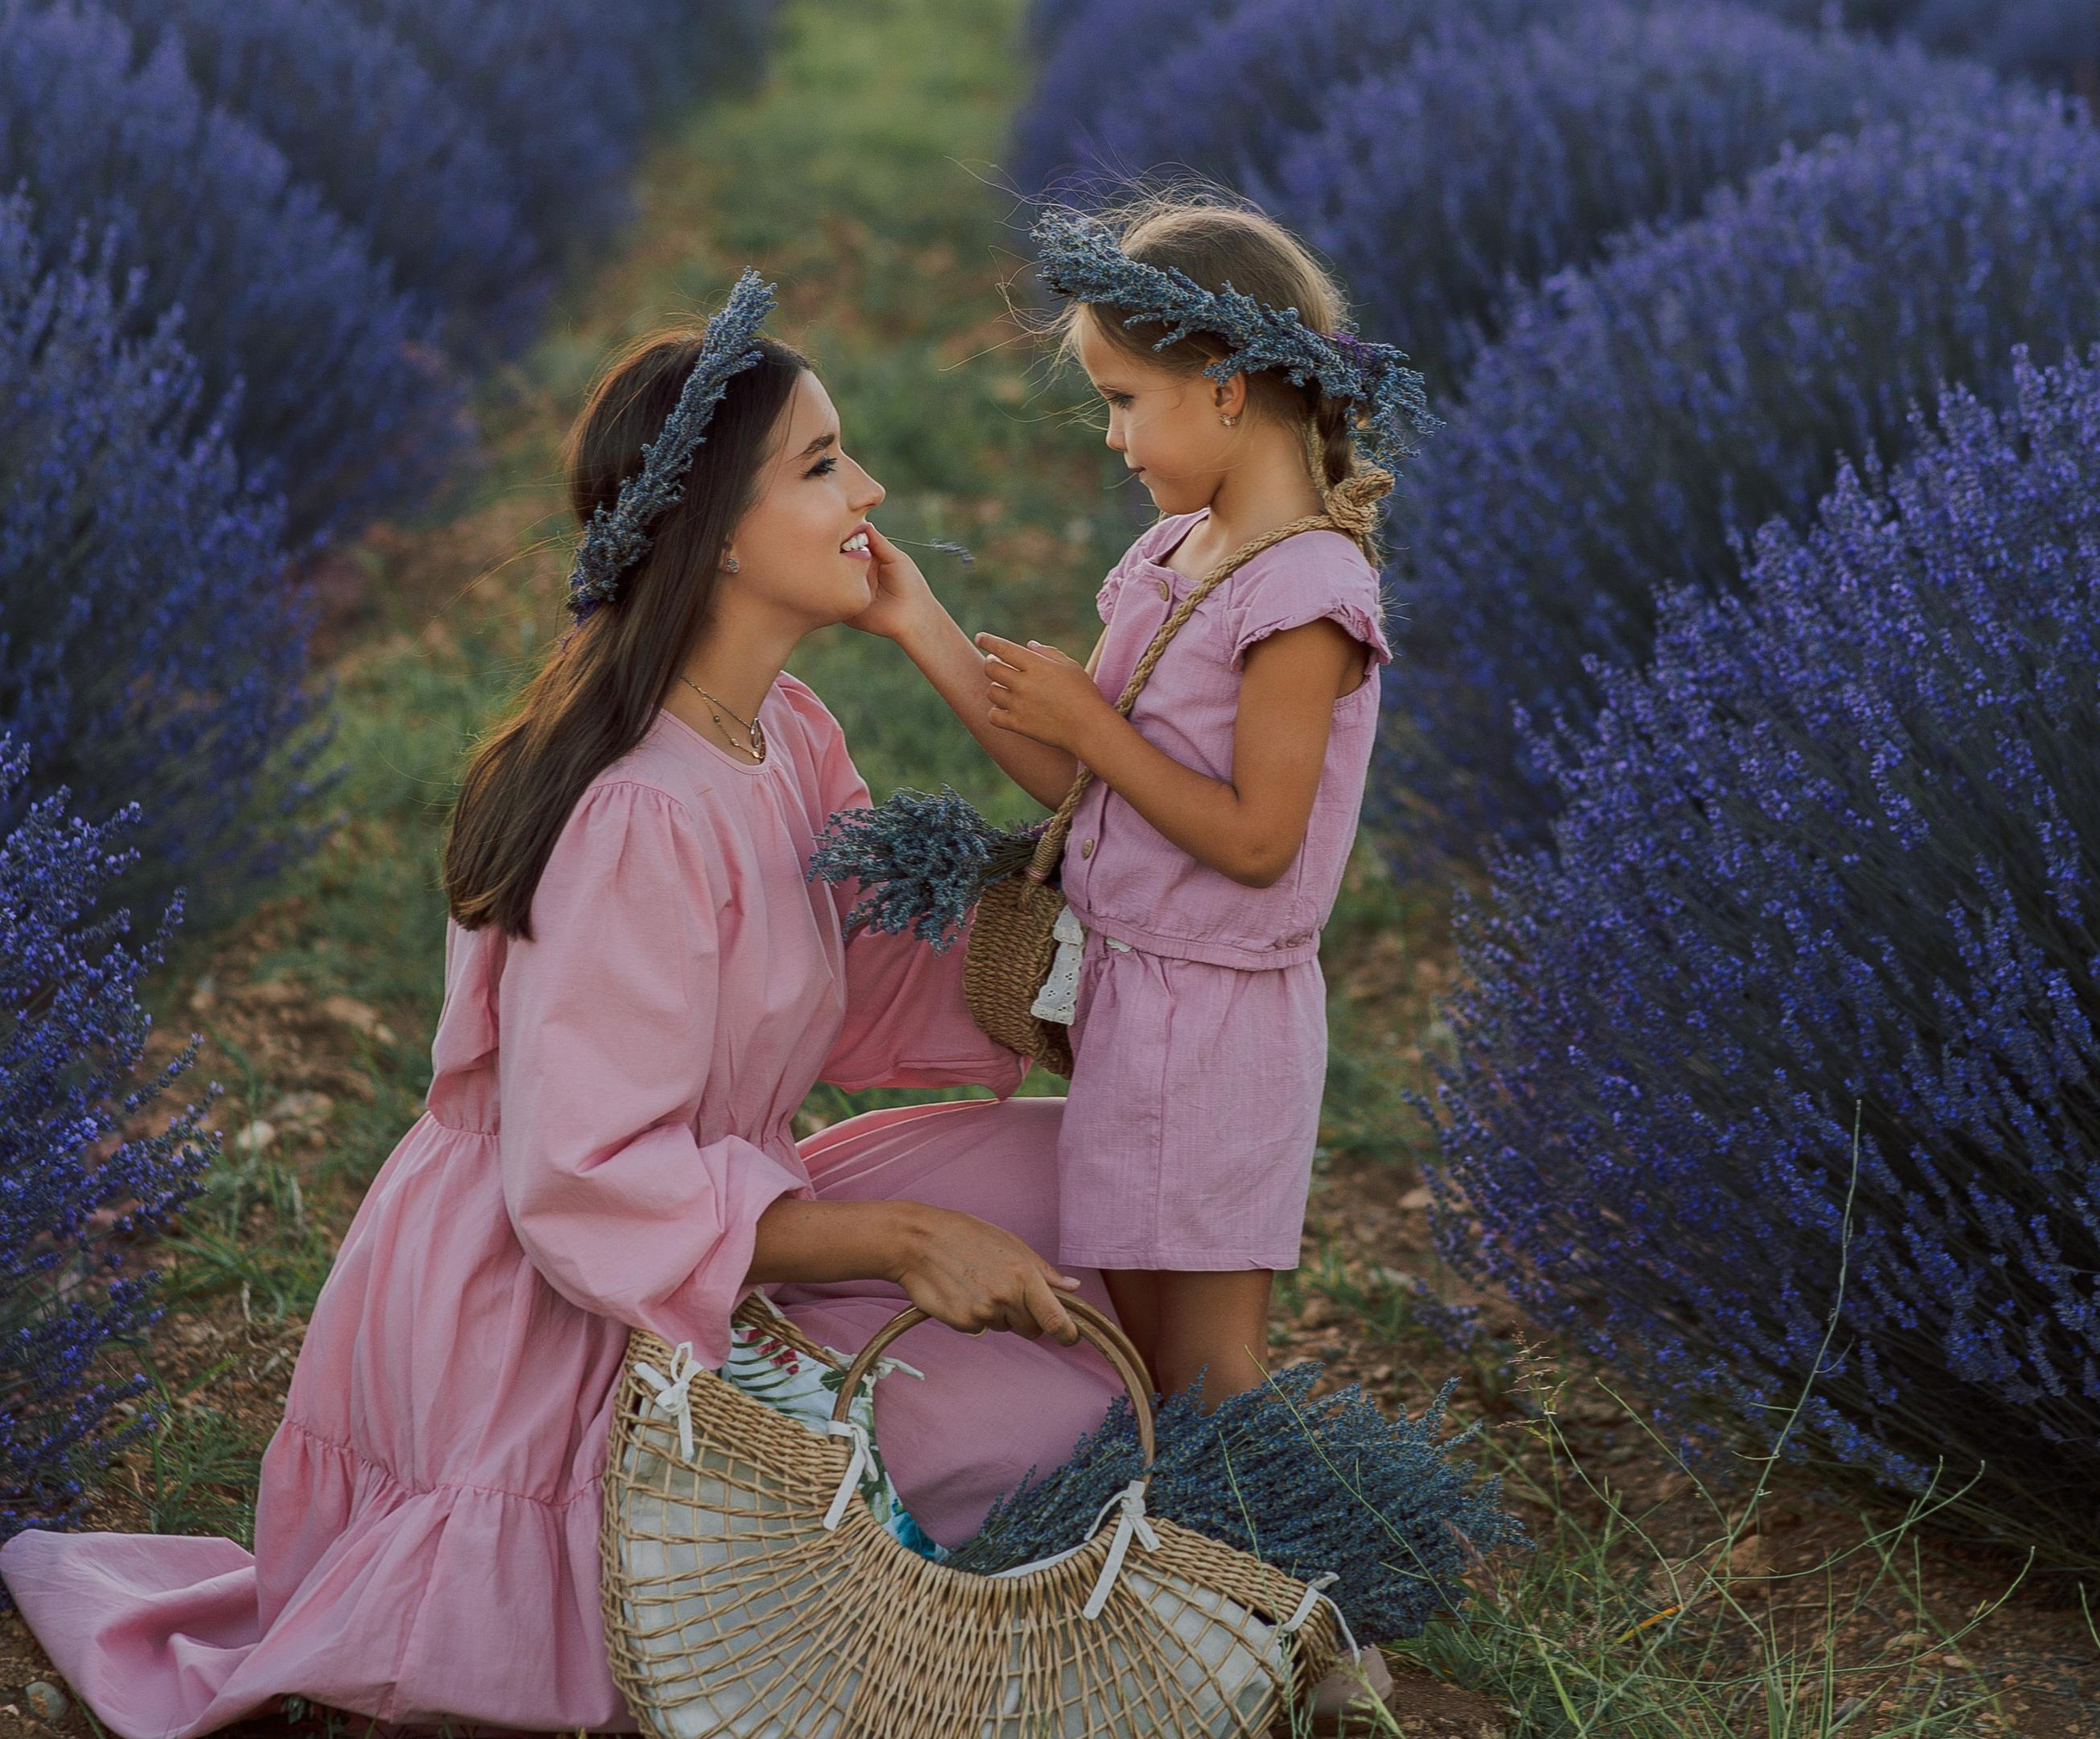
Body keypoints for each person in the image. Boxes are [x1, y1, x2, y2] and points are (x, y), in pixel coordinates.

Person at [0, 279, 1123, 1738]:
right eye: (825, 462)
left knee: (1094, 1176)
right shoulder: (636, 812)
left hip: (711, 1202)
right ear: (717, 530)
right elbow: (582, 1177)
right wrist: (911, 1241)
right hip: (550, 1293)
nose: (875, 486)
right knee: (1045, 1415)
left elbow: (854, 973)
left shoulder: (782, 732)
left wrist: (1083, 955)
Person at [862, 196, 1431, 1408]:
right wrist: (918, 622)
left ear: (1224, 387)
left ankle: (1252, 1577)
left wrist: (1096, 726)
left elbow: (1258, 841)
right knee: (1138, 1356)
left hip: (1222, 1030)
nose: (1114, 439)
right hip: (1135, 1007)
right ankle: (1165, 1559)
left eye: (1125, 401)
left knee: (1209, 1372)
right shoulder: (1176, 554)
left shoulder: (1307, 594)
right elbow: (1085, 792)